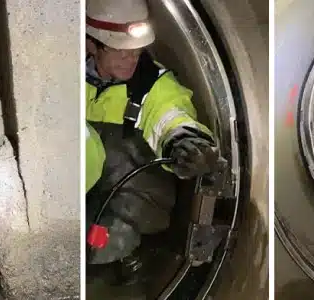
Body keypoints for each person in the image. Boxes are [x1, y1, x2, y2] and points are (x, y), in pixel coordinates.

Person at [85, 0, 226, 285]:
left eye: (136, 51)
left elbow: (171, 115)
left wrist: (186, 142)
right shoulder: (58, 72)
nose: (132, 59)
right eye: (122, 51)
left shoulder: (151, 84)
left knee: (106, 243)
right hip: (63, 193)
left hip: (120, 200)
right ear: (91, 44)